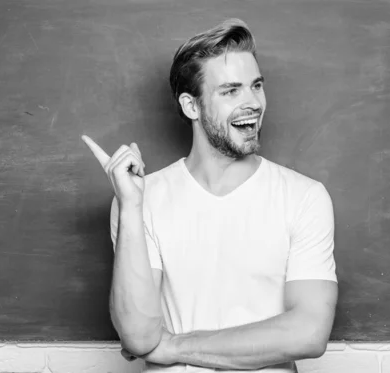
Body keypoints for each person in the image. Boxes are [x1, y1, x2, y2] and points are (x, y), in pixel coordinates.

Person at [82, 18, 338, 373]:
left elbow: (309, 332)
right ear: (191, 106)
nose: (253, 102)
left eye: (256, 86)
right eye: (231, 91)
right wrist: (130, 207)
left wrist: (174, 346)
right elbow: (139, 338)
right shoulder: (143, 198)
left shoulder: (305, 197)